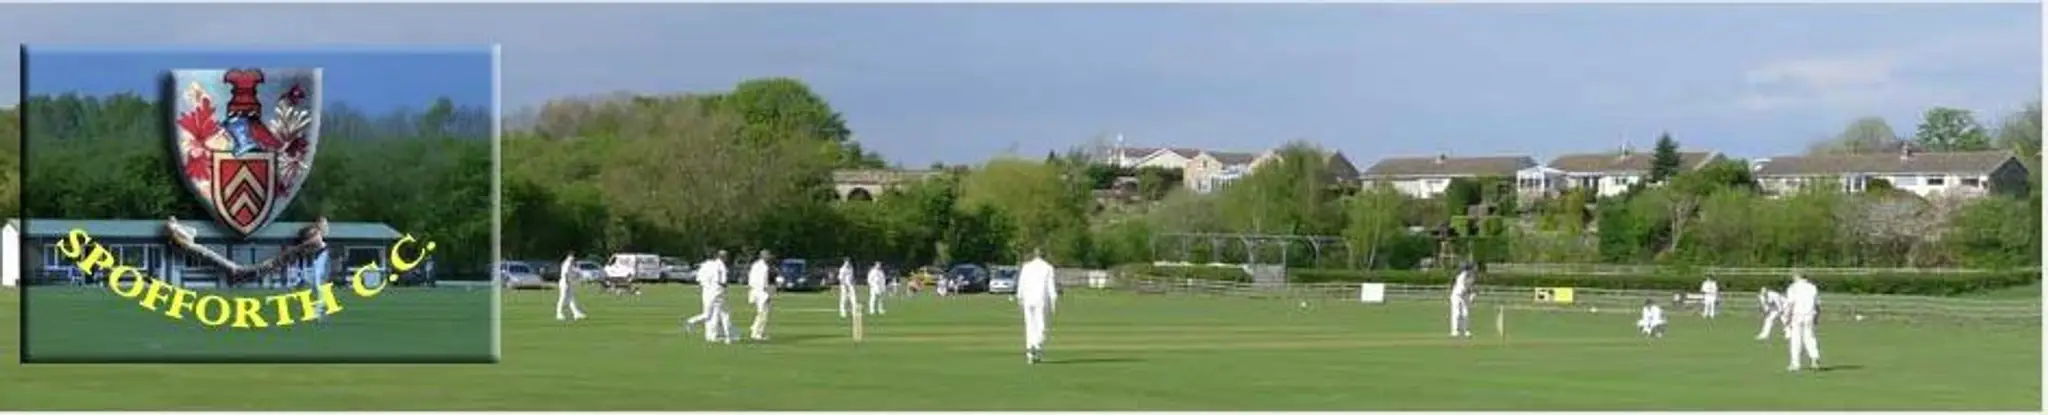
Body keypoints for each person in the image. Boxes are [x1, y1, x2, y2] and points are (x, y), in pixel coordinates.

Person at [1016, 248, 1060, 364]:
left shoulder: (1026, 267)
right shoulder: (1048, 268)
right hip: (1041, 300)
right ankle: (1036, 345)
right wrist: (1054, 302)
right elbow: (1051, 287)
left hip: (1028, 299)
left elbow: (1021, 284)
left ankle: (1031, 354)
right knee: (1041, 326)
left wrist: (1020, 298)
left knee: (1030, 325)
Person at [683, 250, 734, 343]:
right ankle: (727, 337)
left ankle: (709, 334)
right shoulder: (721, 266)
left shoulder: (705, 265)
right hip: (718, 292)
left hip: (707, 292)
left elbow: (699, 279)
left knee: (709, 315)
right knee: (723, 314)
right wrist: (725, 288)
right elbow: (722, 281)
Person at [1785, 274, 1822, 371]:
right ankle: (1814, 359)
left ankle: (1795, 364)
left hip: (1797, 315)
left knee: (1796, 340)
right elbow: (1817, 304)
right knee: (1810, 337)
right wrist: (1817, 316)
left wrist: (1787, 317)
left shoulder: (1793, 287)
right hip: (1809, 315)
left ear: (1798, 277)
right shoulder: (1812, 287)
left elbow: (1790, 303)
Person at [746, 250, 775, 341]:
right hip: (761, 291)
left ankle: (755, 328)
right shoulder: (763, 267)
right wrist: (767, 293)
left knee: (761, 312)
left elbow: (750, 279)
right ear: (764, 256)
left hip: (755, 290)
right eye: (768, 256)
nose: (769, 257)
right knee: (763, 313)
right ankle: (757, 334)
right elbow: (764, 282)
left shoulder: (755, 265)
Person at [556, 252, 587, 321]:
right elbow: (565, 274)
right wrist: (567, 282)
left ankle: (576, 313)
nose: (574, 259)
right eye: (572, 257)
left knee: (571, 298)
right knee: (563, 297)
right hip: (565, 282)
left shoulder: (571, 264)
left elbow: (572, 273)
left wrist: (577, 276)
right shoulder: (567, 263)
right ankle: (559, 313)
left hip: (568, 282)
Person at [1448, 262, 1476, 338]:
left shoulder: (1470, 276)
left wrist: (1472, 294)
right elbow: (1467, 284)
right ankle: (1455, 331)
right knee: (1456, 313)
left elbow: (1471, 285)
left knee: (1465, 314)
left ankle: (1466, 331)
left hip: (1464, 296)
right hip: (1456, 296)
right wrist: (1472, 294)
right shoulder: (1462, 275)